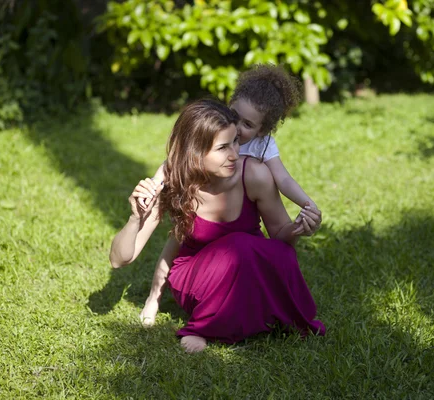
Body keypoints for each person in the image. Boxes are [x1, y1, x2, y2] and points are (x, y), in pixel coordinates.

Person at [109, 99, 325, 352]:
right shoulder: (173, 181)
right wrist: (135, 218)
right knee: (239, 246)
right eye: (223, 147)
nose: (235, 153)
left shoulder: (254, 174)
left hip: (247, 268)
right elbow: (119, 259)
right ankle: (205, 326)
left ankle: (252, 315)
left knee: (273, 254)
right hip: (197, 279)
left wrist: (299, 228)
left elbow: (280, 236)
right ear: (196, 152)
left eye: (235, 141)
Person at [138, 64, 322, 326]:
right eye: (234, 115)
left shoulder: (262, 149)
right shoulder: (215, 131)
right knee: (176, 240)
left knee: (261, 253)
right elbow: (174, 162)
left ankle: (255, 312)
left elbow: (283, 179)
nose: (237, 128)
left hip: (239, 227)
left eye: (247, 125)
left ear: (262, 131)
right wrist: (157, 183)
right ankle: (155, 298)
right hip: (199, 214)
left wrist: (306, 206)